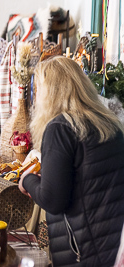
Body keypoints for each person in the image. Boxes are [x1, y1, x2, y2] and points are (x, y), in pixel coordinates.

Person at [18, 56, 124, 266]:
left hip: (83, 245)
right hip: (113, 239)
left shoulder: (61, 128)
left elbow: (53, 200)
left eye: (38, 89)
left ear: (50, 92)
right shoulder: (109, 123)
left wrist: (27, 180)